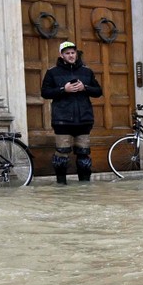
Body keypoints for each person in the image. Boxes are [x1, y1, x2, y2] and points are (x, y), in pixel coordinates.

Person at [39, 41, 103, 183]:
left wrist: (85, 87)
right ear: (61, 55)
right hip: (62, 120)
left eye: (73, 53)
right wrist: (63, 89)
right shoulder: (52, 72)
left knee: (84, 156)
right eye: (67, 53)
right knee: (61, 155)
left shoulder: (87, 71)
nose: (71, 55)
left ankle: (84, 186)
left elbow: (98, 91)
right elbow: (45, 92)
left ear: (76, 54)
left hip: (84, 119)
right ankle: (61, 185)